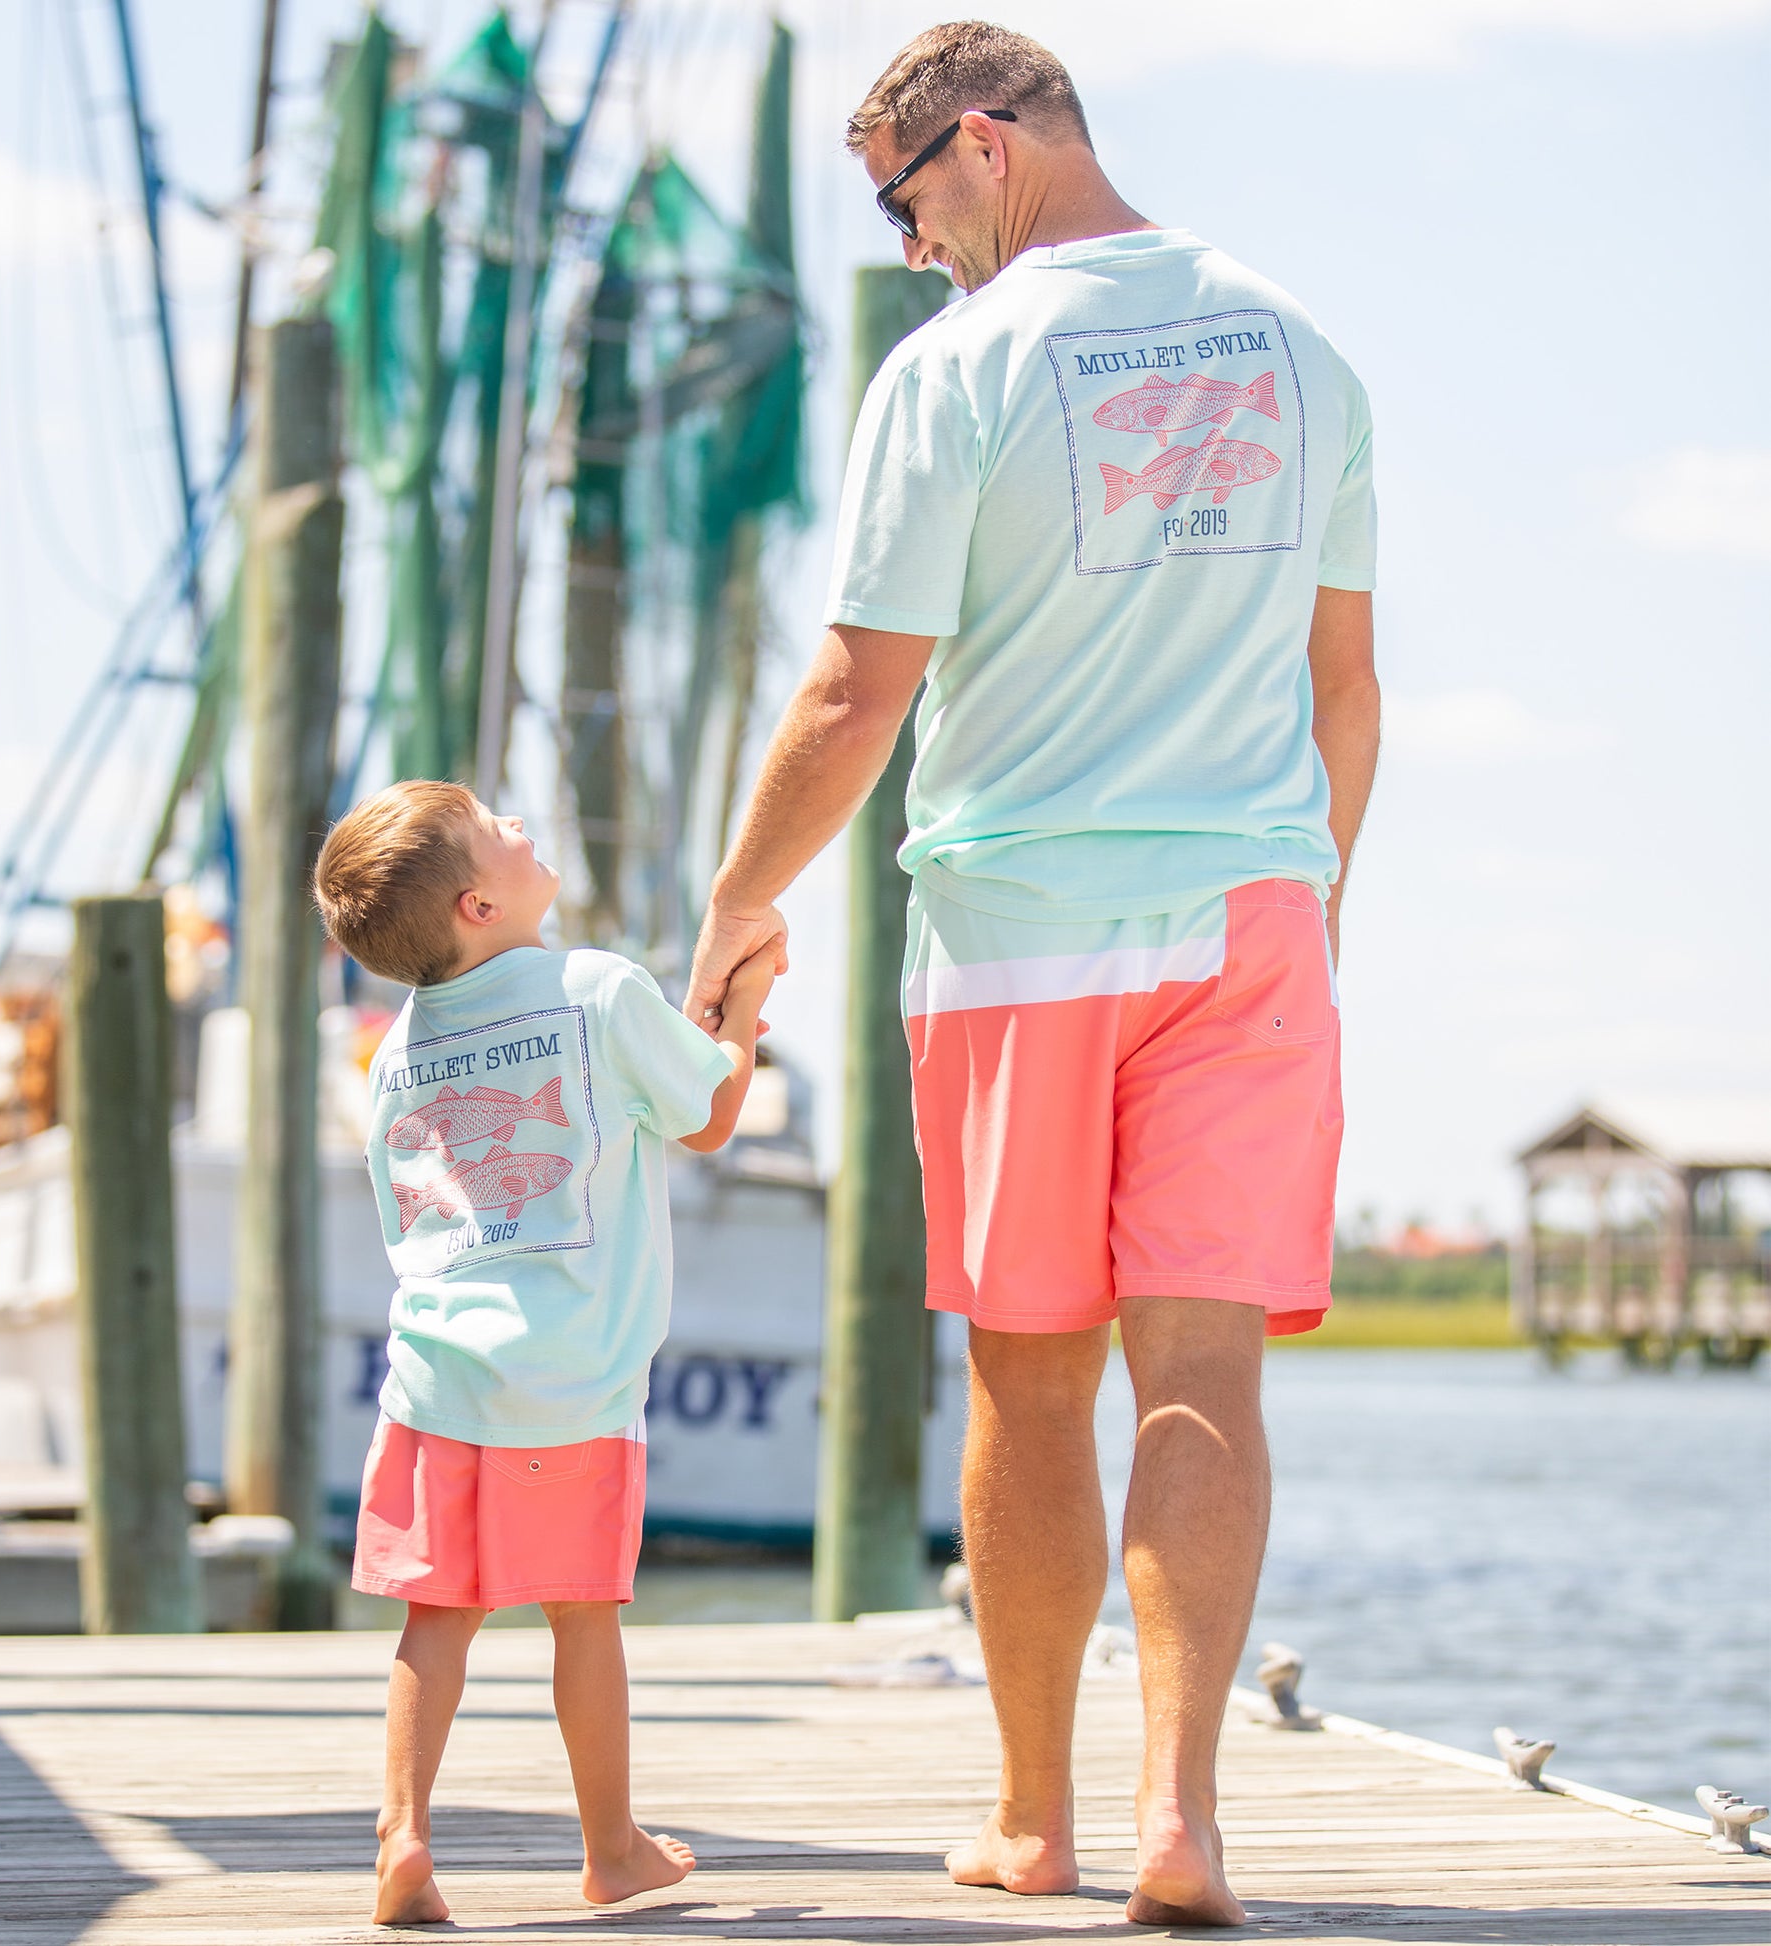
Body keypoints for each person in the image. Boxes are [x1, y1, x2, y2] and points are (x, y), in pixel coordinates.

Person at [685, 21, 1380, 1929]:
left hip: (1019, 930)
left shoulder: (959, 369)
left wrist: (738, 902)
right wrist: (1308, 905)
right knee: (1205, 1373)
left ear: (981, 148)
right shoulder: (1304, 350)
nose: (919, 250)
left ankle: (1035, 1816)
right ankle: (1184, 1811)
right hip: (1249, 913)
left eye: (912, 207)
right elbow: (1343, 685)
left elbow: (855, 690)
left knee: (1027, 1373)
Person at [315, 780, 778, 1926]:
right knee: (583, 1614)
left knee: (436, 1618)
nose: (522, 823)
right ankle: (611, 1849)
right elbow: (708, 1115)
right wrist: (746, 1002)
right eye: (496, 826)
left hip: (433, 1378)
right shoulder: (598, 988)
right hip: (573, 1378)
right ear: (478, 900)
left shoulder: (398, 1051)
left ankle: (404, 1834)